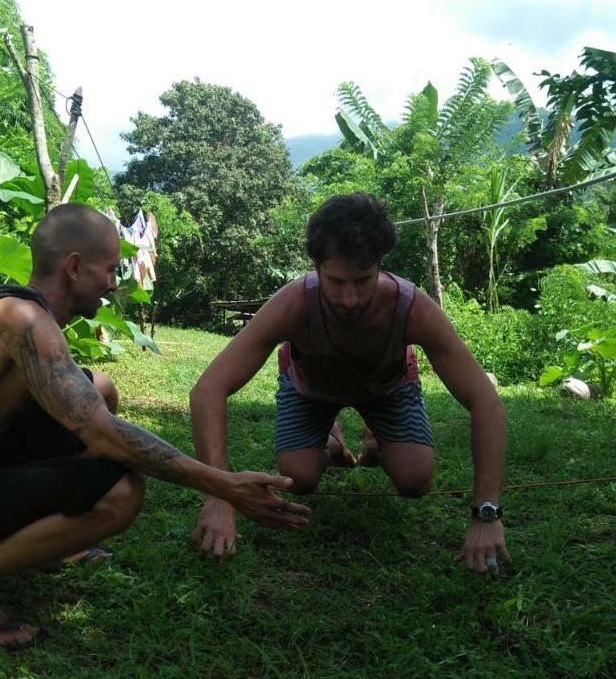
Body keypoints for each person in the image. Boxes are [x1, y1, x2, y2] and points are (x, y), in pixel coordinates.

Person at [0, 204, 310, 647]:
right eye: (108, 270)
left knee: (98, 388)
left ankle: (54, 542)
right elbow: (104, 435)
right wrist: (224, 486)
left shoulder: (15, 311)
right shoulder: (24, 321)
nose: (112, 282)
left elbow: (85, 405)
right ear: (74, 267)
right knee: (119, 491)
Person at [188, 193, 507, 573]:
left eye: (362, 281)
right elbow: (208, 389)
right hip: (310, 389)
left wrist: (486, 513)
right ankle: (333, 439)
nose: (350, 299)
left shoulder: (413, 308)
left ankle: (375, 441)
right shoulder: (292, 303)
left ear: (380, 265)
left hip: (387, 388)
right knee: (301, 478)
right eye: (336, 281)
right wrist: (220, 494)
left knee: (415, 481)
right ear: (316, 266)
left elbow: (485, 402)